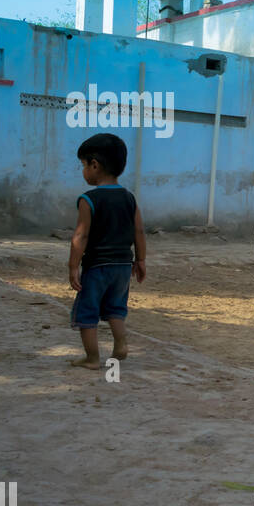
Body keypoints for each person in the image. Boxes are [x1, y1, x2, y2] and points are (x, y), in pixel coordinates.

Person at [68, 133, 146, 369]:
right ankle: (120, 343)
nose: (83, 171)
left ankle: (92, 358)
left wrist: (73, 266)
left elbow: (81, 235)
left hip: (97, 267)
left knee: (87, 311)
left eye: (83, 165)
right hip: (123, 266)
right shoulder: (129, 198)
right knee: (115, 308)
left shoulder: (88, 199)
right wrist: (140, 260)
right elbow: (139, 232)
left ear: (95, 165)